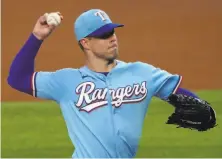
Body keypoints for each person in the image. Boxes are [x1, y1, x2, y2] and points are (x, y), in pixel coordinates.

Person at [8, 9, 203, 158]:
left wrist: (201, 110)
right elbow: (17, 79)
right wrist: (37, 37)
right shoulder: (66, 82)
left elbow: (179, 94)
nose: (112, 39)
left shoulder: (140, 73)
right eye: (104, 35)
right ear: (86, 43)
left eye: (112, 32)